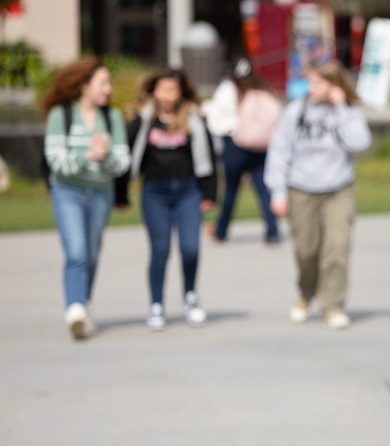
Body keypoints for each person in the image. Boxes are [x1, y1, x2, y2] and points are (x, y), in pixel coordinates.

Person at [264, 61, 371, 329]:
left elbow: (360, 142)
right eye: (311, 83)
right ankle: (305, 294)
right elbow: (279, 151)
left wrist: (342, 107)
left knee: (336, 249)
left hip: (338, 190)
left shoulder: (347, 113)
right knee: (307, 251)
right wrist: (278, 191)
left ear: (335, 86)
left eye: (319, 84)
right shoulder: (296, 111)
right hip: (301, 190)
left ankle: (333, 306)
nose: (312, 89)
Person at [117, 68, 216, 330]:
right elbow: (125, 155)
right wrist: (121, 193)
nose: (166, 95)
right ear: (154, 91)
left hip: (188, 191)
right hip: (155, 192)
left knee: (190, 248)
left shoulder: (193, 118)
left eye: (172, 90)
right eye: (162, 89)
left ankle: (191, 297)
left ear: (181, 92)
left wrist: (209, 193)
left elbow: (209, 157)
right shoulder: (144, 119)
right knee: (160, 250)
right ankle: (156, 305)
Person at [39, 56, 131, 339]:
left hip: (100, 192)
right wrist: (87, 155)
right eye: (103, 83)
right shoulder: (60, 115)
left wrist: (103, 159)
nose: (108, 89)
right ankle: (75, 308)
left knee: (91, 254)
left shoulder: (111, 117)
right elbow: (56, 160)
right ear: (84, 85)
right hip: (68, 191)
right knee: (76, 251)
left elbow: (123, 162)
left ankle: (85, 303)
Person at [202, 57, 282, 244]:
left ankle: (221, 230)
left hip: (235, 146)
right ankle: (272, 230)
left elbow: (217, 119)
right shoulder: (262, 88)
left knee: (230, 191)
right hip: (261, 147)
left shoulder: (228, 89)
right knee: (263, 190)